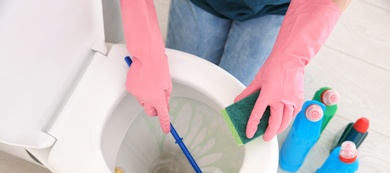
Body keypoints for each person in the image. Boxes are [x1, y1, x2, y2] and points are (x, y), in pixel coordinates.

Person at [120, 0, 351, 141]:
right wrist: (144, 46)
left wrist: (291, 59)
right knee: (182, 86)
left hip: (273, 8)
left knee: (233, 99)